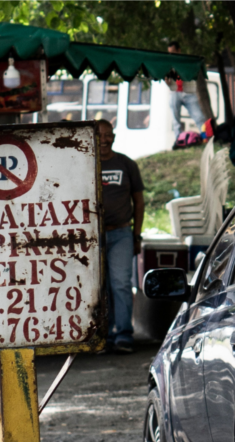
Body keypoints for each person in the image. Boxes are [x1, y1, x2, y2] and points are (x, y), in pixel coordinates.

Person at [97, 120, 145, 354]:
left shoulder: (127, 164)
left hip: (122, 233)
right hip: (93, 237)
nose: (104, 139)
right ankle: (103, 335)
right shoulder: (86, 162)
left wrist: (137, 235)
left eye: (108, 135)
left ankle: (124, 334)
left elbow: (139, 201)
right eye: (100, 135)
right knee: (99, 287)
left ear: (114, 137)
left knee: (121, 284)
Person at [165, 42, 207, 148]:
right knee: (176, 120)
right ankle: (180, 142)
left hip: (188, 92)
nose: (171, 55)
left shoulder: (186, 61)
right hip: (174, 92)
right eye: (170, 53)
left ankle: (206, 138)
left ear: (179, 50)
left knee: (199, 117)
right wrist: (167, 81)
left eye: (173, 52)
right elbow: (167, 79)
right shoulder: (168, 63)